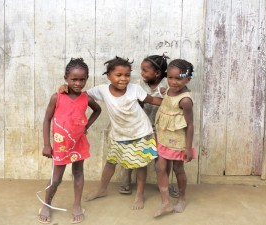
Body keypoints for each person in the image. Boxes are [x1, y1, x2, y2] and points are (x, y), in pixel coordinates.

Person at [61, 56, 162, 210]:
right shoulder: (101, 90)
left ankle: (140, 194)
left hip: (140, 132)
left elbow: (152, 100)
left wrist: (174, 100)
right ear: (108, 76)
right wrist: (65, 88)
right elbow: (81, 95)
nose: (123, 79)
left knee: (141, 165)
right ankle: (102, 189)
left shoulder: (135, 89)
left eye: (127, 75)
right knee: (110, 163)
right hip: (119, 134)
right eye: (119, 75)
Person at [38, 58, 101, 224]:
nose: (78, 83)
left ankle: (76, 205)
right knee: (56, 178)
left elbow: (97, 110)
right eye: (74, 79)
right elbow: (46, 120)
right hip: (61, 145)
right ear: (66, 78)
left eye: (82, 79)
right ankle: (46, 204)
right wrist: (46, 144)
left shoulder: (86, 98)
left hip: (78, 142)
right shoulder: (57, 97)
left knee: (78, 173)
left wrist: (86, 125)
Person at [119, 54, 179, 198]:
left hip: (162, 127)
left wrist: (167, 94)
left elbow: (177, 100)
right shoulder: (140, 84)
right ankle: (126, 179)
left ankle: (163, 183)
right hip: (140, 126)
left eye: (145, 70)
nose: (142, 73)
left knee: (163, 158)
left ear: (157, 73)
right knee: (134, 153)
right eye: (142, 70)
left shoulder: (168, 83)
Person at [153, 59, 196, 218]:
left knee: (178, 169)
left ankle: (182, 197)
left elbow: (190, 125)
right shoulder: (168, 91)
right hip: (163, 137)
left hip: (178, 141)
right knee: (159, 168)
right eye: (170, 78)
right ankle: (166, 203)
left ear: (188, 79)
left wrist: (188, 148)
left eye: (178, 78)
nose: (173, 82)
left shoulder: (185, 100)